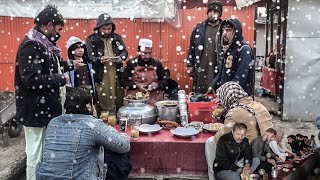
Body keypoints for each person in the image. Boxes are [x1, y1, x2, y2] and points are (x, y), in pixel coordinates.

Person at [14, 5, 75, 180]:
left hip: (45, 111)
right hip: (35, 113)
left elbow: (50, 68)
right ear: (49, 25)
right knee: (36, 156)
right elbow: (32, 80)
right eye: (59, 28)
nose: (60, 33)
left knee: (45, 155)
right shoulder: (31, 46)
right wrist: (62, 79)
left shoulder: (45, 44)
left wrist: (69, 66)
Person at [36, 87, 131, 179]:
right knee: (120, 156)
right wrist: (111, 130)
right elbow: (124, 146)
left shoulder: (53, 122)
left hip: (44, 176)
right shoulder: (93, 125)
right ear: (89, 106)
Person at [205, 82, 273, 180]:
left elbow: (219, 138)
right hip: (262, 151)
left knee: (210, 142)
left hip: (244, 154)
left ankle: (214, 176)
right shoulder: (259, 106)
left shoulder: (234, 113)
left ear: (227, 98)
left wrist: (225, 115)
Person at [86, 13, 128, 117]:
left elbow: (124, 52)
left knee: (118, 97)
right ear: (98, 27)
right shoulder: (91, 39)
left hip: (116, 73)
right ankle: (104, 122)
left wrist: (121, 58)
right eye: (104, 29)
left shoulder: (117, 38)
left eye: (109, 29)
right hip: (101, 75)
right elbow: (88, 57)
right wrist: (99, 59)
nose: (106, 31)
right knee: (103, 99)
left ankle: (118, 122)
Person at [206, 18, 255, 96]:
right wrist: (213, 86)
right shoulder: (228, 50)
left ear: (236, 32)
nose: (224, 33)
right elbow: (222, 72)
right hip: (228, 97)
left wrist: (225, 93)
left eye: (228, 30)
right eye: (223, 30)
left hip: (242, 99)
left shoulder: (244, 49)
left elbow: (240, 78)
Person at [187, 1, 223, 94]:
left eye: (215, 12)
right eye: (210, 11)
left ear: (219, 14)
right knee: (199, 94)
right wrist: (189, 65)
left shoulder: (224, 28)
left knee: (216, 94)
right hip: (201, 68)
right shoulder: (199, 28)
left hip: (218, 69)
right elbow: (191, 47)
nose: (212, 14)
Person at [120, 38, 168, 106]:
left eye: (149, 53)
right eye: (144, 53)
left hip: (153, 97)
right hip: (135, 97)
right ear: (138, 51)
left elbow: (165, 80)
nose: (147, 56)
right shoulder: (131, 64)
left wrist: (157, 84)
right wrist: (136, 86)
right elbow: (123, 82)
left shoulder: (157, 64)